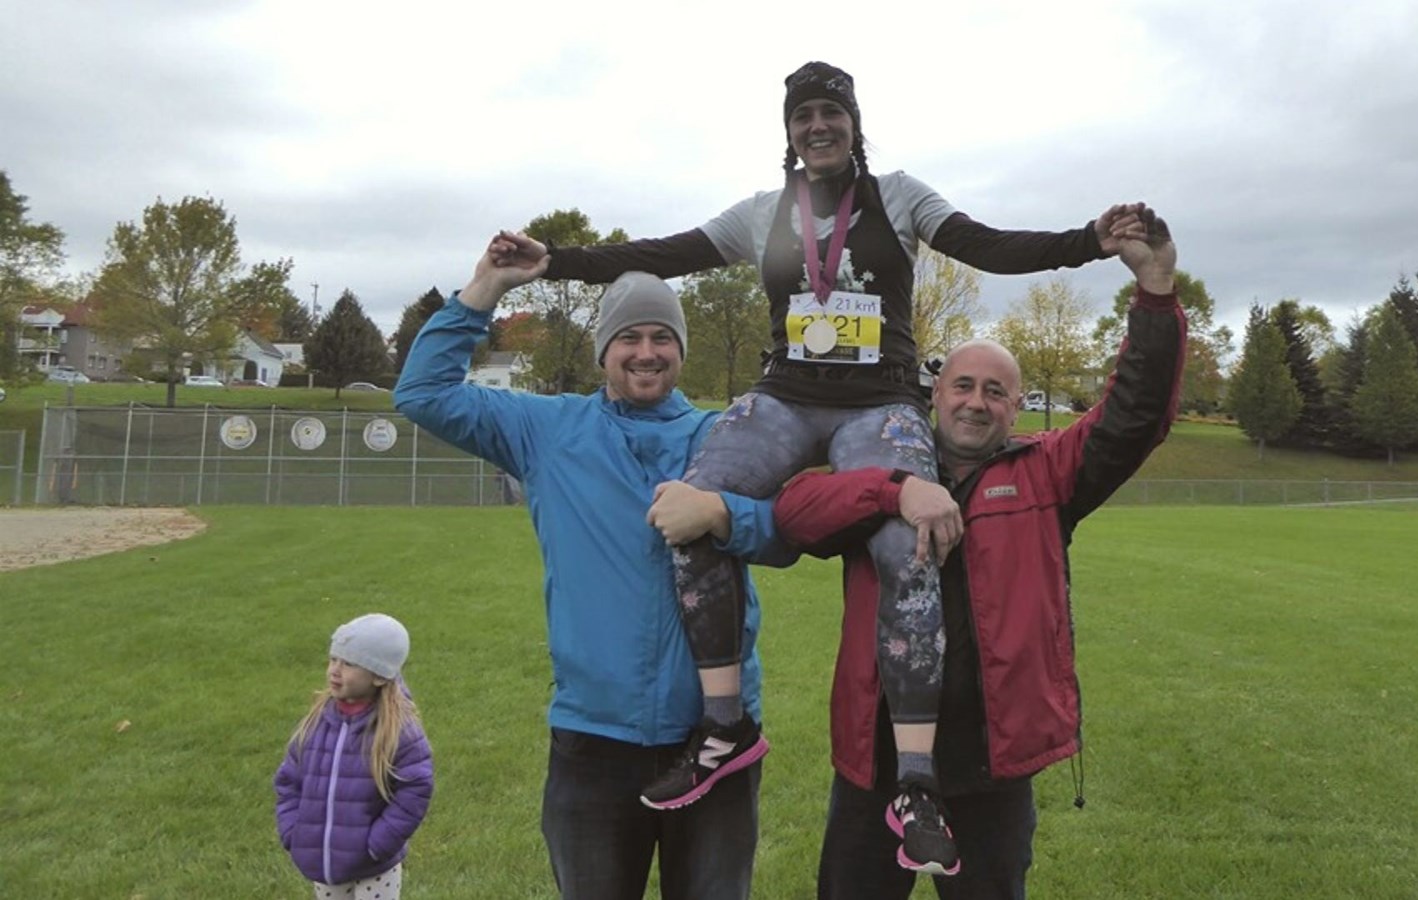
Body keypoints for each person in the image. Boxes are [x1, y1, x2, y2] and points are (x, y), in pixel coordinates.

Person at [515, 60, 1153, 875]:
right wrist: (553, 260)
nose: (818, 126)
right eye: (803, 115)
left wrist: (1089, 243)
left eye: (831, 113)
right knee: (688, 509)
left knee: (908, 547)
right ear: (788, 130)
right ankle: (724, 726)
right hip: (786, 398)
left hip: (877, 405)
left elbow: (986, 245)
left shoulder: (900, 197)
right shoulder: (762, 214)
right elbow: (660, 253)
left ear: (854, 124)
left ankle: (915, 781)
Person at [770, 214, 1187, 898]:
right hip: (880, 759)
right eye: (962, 386)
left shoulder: (1047, 474)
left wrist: (1156, 291)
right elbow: (793, 511)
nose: (975, 403)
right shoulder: (881, 462)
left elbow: (1135, 415)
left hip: (991, 766)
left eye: (995, 391)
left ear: (1016, 407)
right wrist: (895, 492)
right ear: (935, 394)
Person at [394, 250, 786, 899]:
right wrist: (487, 287)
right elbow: (423, 393)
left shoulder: (720, 435)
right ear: (604, 350)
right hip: (594, 740)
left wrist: (723, 515)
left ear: (680, 349)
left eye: (662, 337)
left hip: (716, 740)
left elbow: (789, 529)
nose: (646, 352)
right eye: (629, 337)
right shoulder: (546, 430)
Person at [275, 613, 434, 899]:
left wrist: (378, 845)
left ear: (379, 676)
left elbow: (415, 789)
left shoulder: (398, 730)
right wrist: (292, 831)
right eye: (333, 659)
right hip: (322, 862)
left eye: (348, 663)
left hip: (374, 865)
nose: (334, 670)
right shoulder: (316, 722)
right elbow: (288, 780)